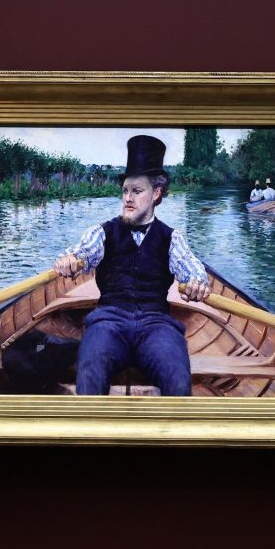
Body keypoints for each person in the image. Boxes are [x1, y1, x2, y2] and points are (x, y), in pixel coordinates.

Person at [53, 135, 211, 396]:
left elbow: (193, 272)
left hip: (156, 325)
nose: (128, 198)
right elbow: (81, 253)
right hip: (108, 321)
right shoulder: (102, 232)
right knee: (90, 370)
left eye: (137, 191)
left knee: (178, 377)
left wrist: (197, 284)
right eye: (125, 191)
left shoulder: (172, 238)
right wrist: (69, 260)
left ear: (156, 193)